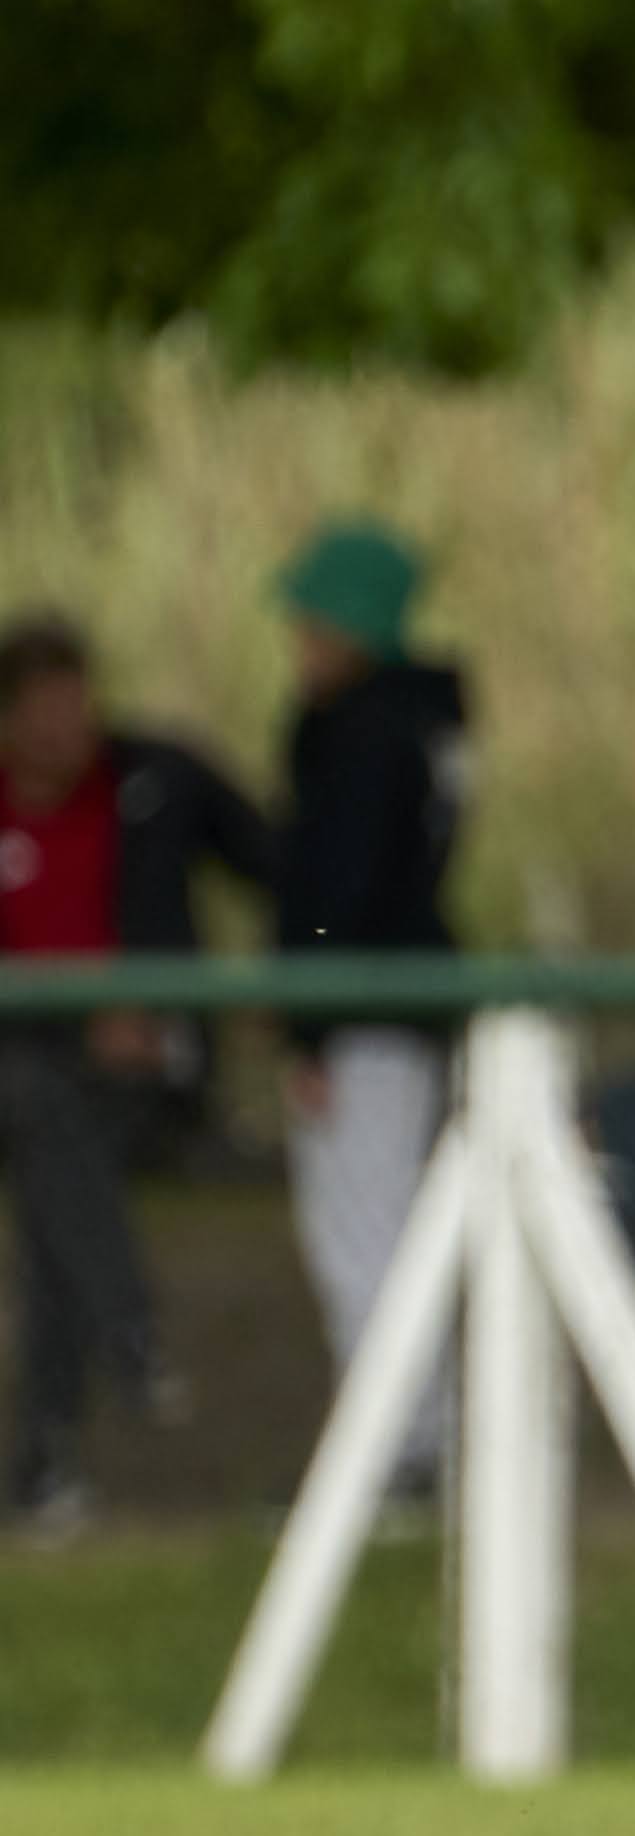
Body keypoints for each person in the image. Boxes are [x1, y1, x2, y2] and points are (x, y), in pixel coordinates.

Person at [0, 612, 274, 1535]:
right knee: (43, 1119)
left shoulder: (157, 782)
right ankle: (128, 1334)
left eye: (80, 704)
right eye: (46, 711)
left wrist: (296, 982)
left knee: (54, 1178)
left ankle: (49, 1463)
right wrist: (83, 1018)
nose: (71, 727)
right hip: (28, 1072)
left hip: (143, 1077)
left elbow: (294, 873)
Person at [271, 521, 471, 1510]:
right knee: (388, 1220)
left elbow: (333, 889)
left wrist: (306, 1019)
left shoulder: (359, 734)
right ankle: (410, 1436)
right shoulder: (425, 726)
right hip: (403, 1004)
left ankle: (400, 1448)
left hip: (362, 1012)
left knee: (365, 1230)